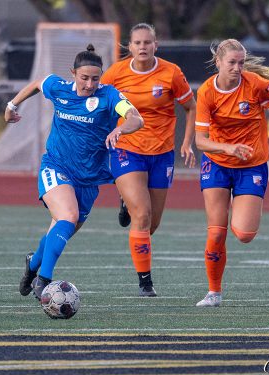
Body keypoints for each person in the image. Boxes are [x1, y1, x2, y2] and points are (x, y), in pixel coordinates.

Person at [5, 44, 144, 299]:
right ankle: (43, 282)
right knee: (67, 217)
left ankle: (32, 265)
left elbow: (136, 119)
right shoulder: (59, 88)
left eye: (95, 78)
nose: (90, 84)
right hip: (56, 167)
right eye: (84, 78)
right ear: (73, 74)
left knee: (61, 229)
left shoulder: (109, 95)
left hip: (89, 179)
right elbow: (38, 83)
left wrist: (120, 129)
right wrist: (12, 105)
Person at [194, 39, 269, 306]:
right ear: (218, 63)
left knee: (244, 235)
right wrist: (228, 148)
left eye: (241, 62)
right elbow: (201, 141)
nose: (238, 68)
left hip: (251, 166)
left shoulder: (256, 85)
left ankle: (248, 207)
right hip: (216, 164)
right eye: (232, 63)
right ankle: (213, 292)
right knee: (216, 232)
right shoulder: (206, 92)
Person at [101, 23, 196, 297]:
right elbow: (98, 101)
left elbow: (190, 107)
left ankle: (125, 201)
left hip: (161, 153)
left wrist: (187, 142)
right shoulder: (116, 73)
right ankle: (145, 283)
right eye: (137, 43)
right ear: (129, 47)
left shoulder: (171, 72)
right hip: (127, 148)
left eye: (148, 42)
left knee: (151, 225)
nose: (142, 47)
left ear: (156, 45)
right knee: (141, 215)